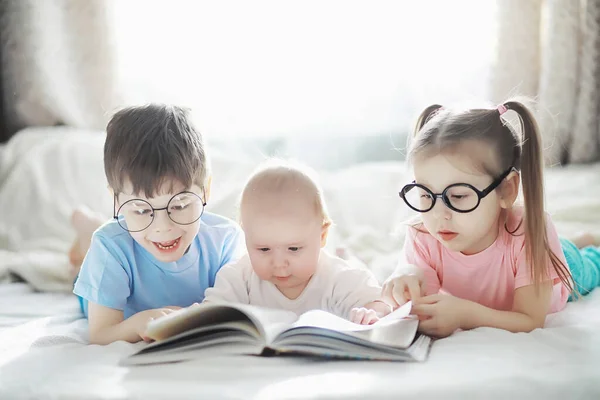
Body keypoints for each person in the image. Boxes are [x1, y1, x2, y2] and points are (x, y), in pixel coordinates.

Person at [382, 100, 600, 338]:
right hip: (533, 257)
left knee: (588, 262)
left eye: (458, 196)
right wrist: (408, 277)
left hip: (563, 263)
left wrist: (466, 314)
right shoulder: (423, 234)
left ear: (506, 190)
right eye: (425, 195)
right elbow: (423, 306)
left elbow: (529, 319)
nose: (438, 215)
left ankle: (586, 242)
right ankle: (575, 240)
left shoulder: (531, 232)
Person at [73, 104, 245, 344]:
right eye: (142, 210)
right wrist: (137, 323)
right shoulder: (109, 248)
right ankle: (86, 232)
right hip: (107, 269)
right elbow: (100, 334)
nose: (163, 227)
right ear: (116, 200)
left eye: (180, 205)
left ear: (205, 190)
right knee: (88, 258)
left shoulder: (226, 240)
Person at [203, 160, 392, 324]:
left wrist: (370, 313)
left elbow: (380, 303)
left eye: (293, 248)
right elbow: (207, 313)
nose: (278, 263)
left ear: (322, 236)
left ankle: (346, 252)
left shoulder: (338, 278)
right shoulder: (240, 278)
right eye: (263, 249)